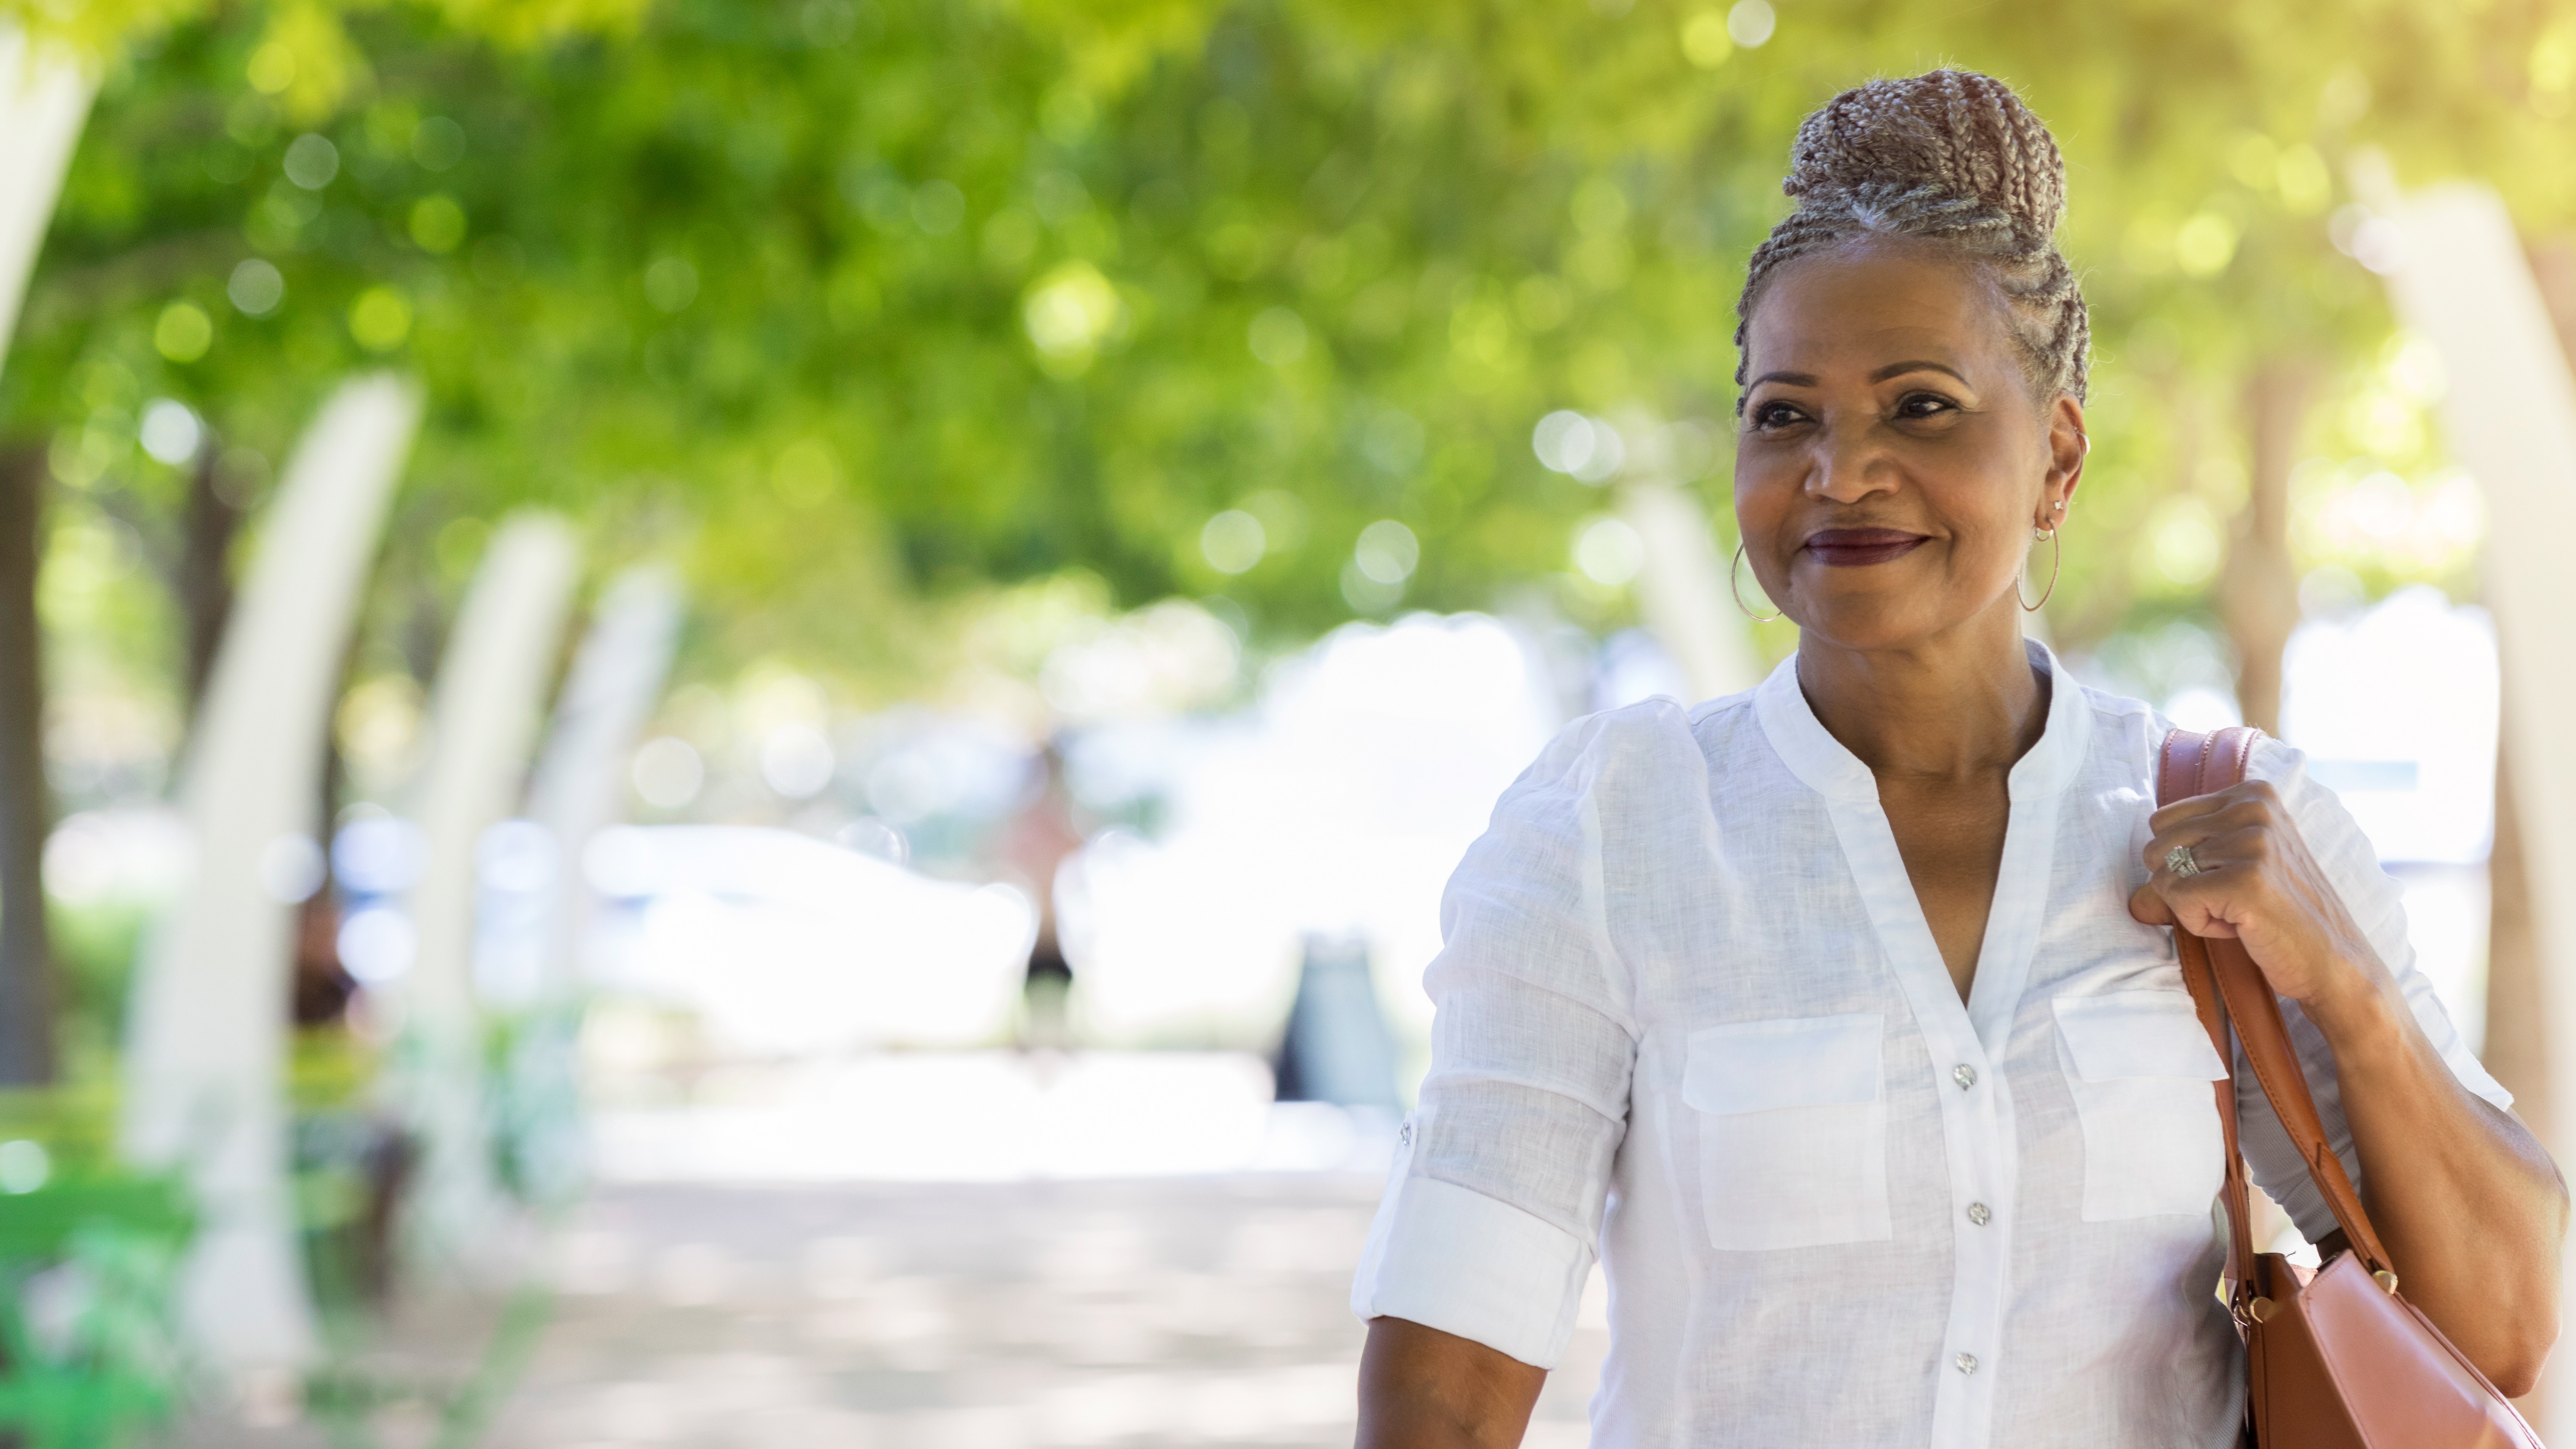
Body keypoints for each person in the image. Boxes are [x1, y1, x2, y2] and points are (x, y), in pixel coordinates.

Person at [1350, 70, 2566, 1449]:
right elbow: (1446, 1386)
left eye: (1920, 407)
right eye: (1784, 414)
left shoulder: (2228, 822)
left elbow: (2509, 1326)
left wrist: (2338, 980)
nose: (1841, 470)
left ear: (2057, 458)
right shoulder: (1613, 834)